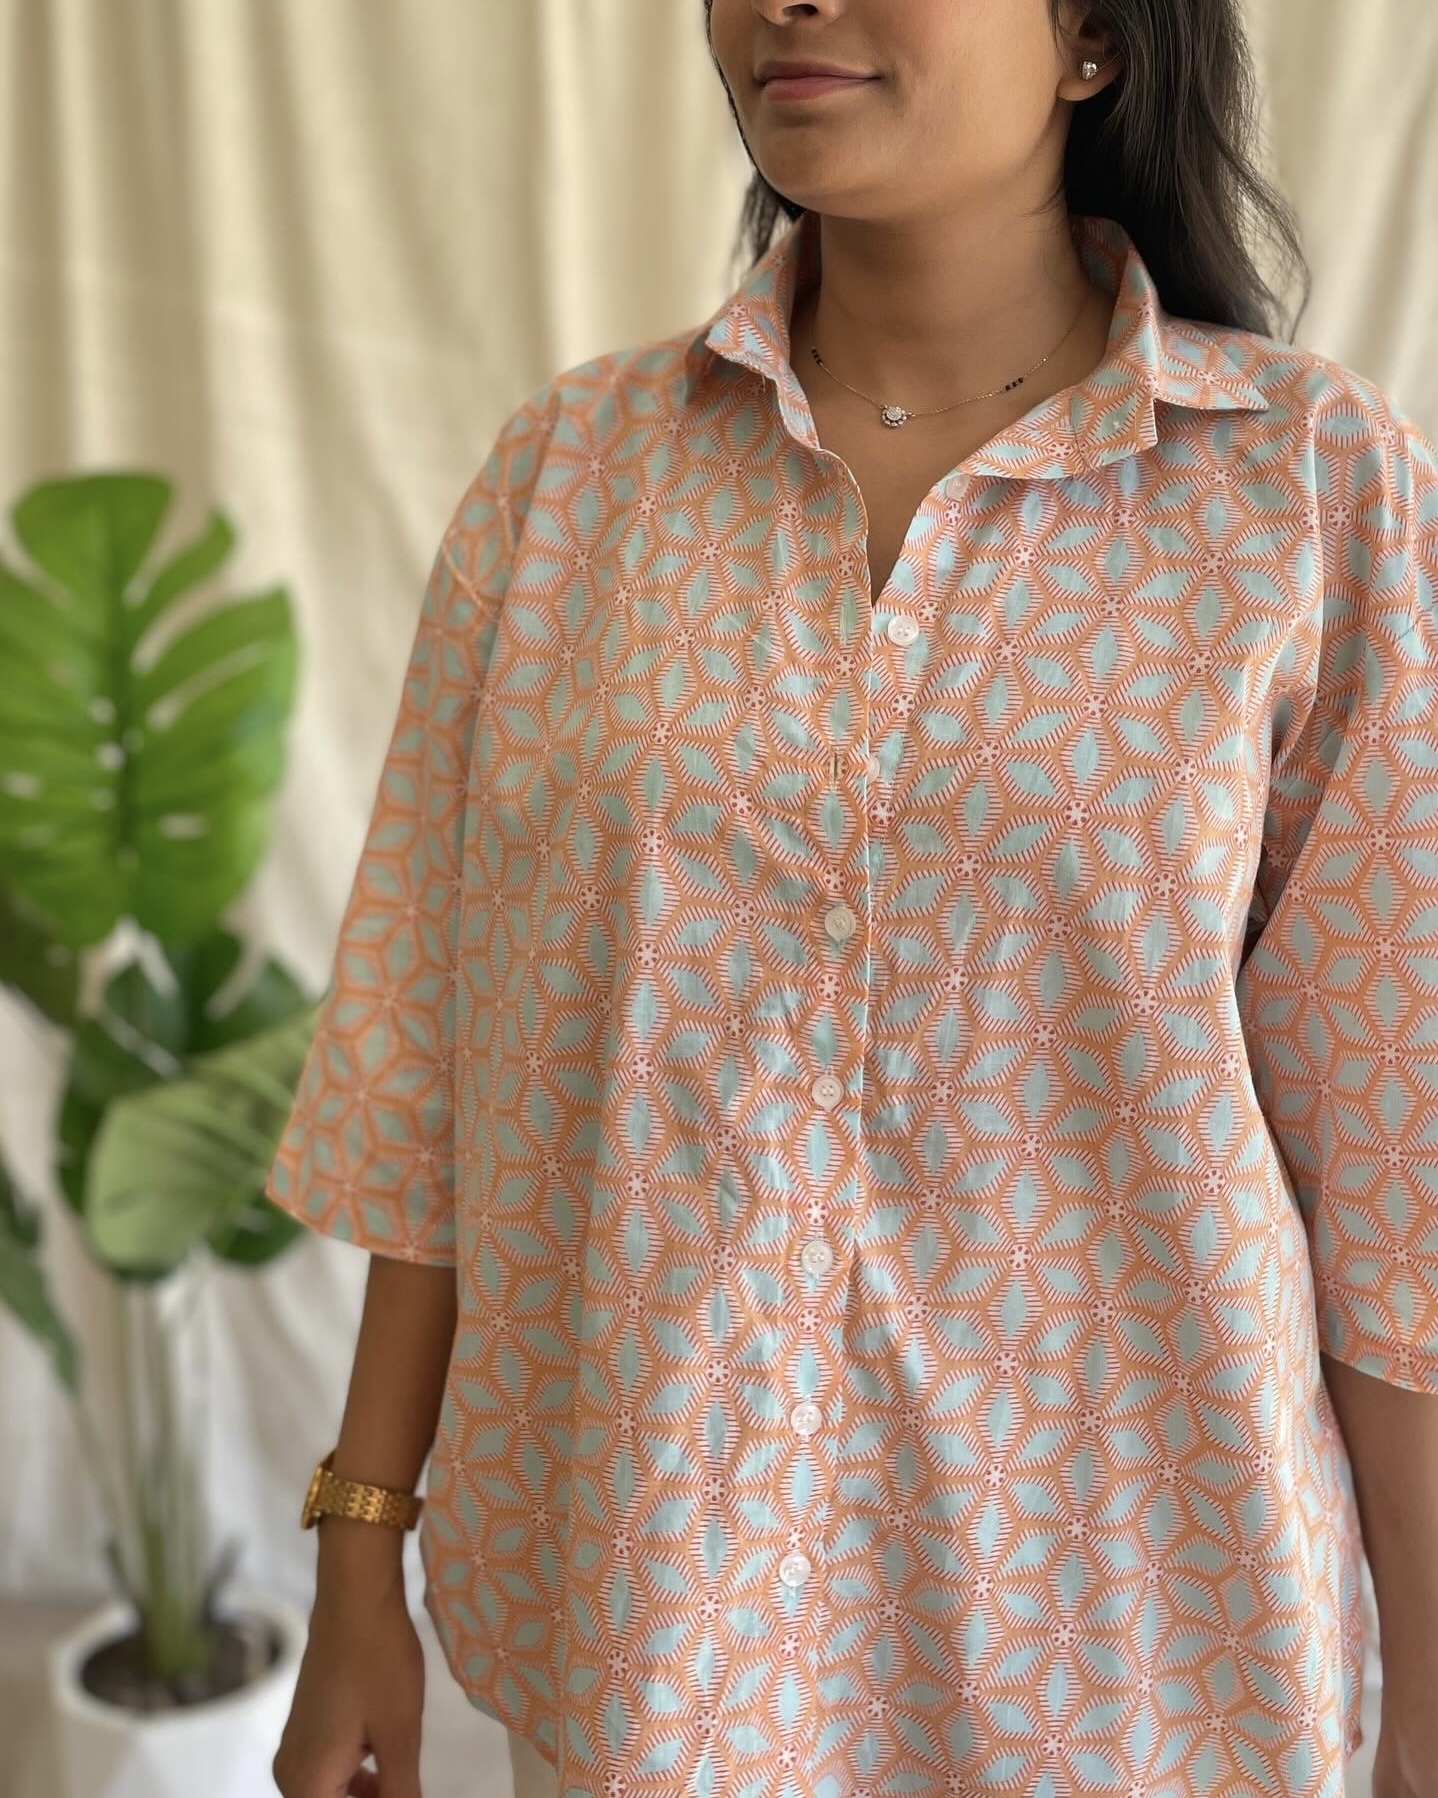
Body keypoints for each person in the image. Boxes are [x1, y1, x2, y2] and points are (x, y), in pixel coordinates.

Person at [267, 1, 1438, 1795]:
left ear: (1092, 39)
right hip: (651, 1637)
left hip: (1138, 1662)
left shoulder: (1305, 497)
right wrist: (360, 1549)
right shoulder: (571, 484)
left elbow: (1395, 1177)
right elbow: (436, 1071)